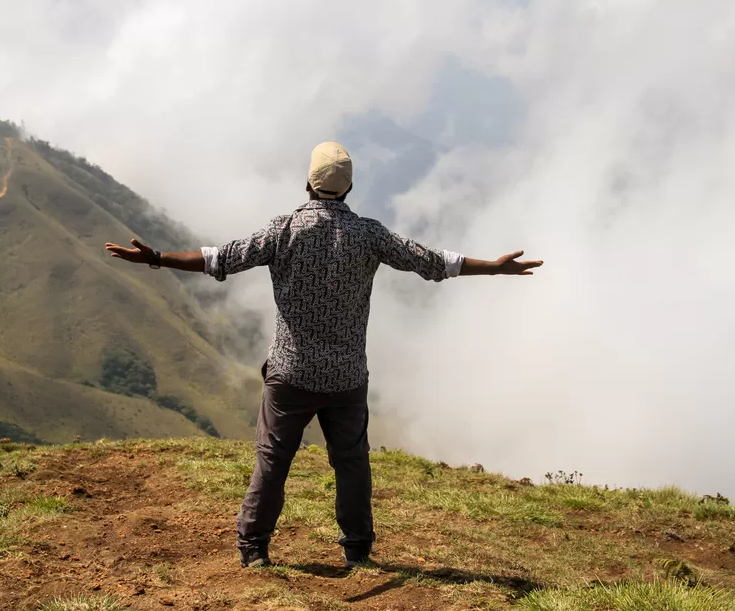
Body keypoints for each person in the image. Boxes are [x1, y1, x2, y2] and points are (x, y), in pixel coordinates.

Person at [105, 142, 543, 569]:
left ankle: (254, 547)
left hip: (290, 374)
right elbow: (432, 262)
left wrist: (157, 258)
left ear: (308, 184)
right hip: (347, 378)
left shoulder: (285, 230)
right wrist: (495, 266)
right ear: (349, 189)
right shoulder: (371, 235)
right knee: (351, 462)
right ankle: (356, 547)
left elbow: (219, 258)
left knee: (273, 460)